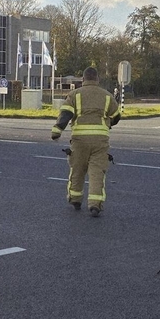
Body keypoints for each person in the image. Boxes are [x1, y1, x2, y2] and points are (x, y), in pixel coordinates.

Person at [51, 66, 120, 217]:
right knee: (97, 172)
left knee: (77, 169)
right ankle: (95, 204)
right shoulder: (107, 96)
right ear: (97, 79)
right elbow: (116, 116)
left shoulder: (74, 95)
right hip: (100, 141)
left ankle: (75, 199)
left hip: (79, 140)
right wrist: (107, 123)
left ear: (83, 79)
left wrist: (57, 131)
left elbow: (65, 114)